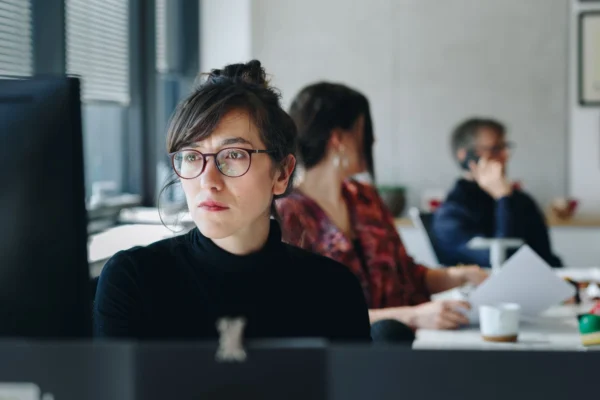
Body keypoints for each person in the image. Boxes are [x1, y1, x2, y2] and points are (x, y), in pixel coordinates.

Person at [94, 61, 372, 341]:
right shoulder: (135, 281)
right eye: (191, 156)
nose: (208, 180)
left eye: (234, 155)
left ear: (282, 173)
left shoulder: (333, 291)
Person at [276, 82, 489, 331]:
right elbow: (308, 315)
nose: (373, 140)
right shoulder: (287, 215)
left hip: (406, 346)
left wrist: (461, 276)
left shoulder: (366, 199)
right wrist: (411, 316)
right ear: (339, 139)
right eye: (365, 130)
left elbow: (408, 276)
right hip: (342, 360)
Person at [432, 118, 562, 267]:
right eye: (495, 149)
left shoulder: (522, 201)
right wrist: (502, 198)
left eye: (505, 147)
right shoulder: (451, 213)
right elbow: (501, 263)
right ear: (465, 156)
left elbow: (546, 258)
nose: (505, 156)